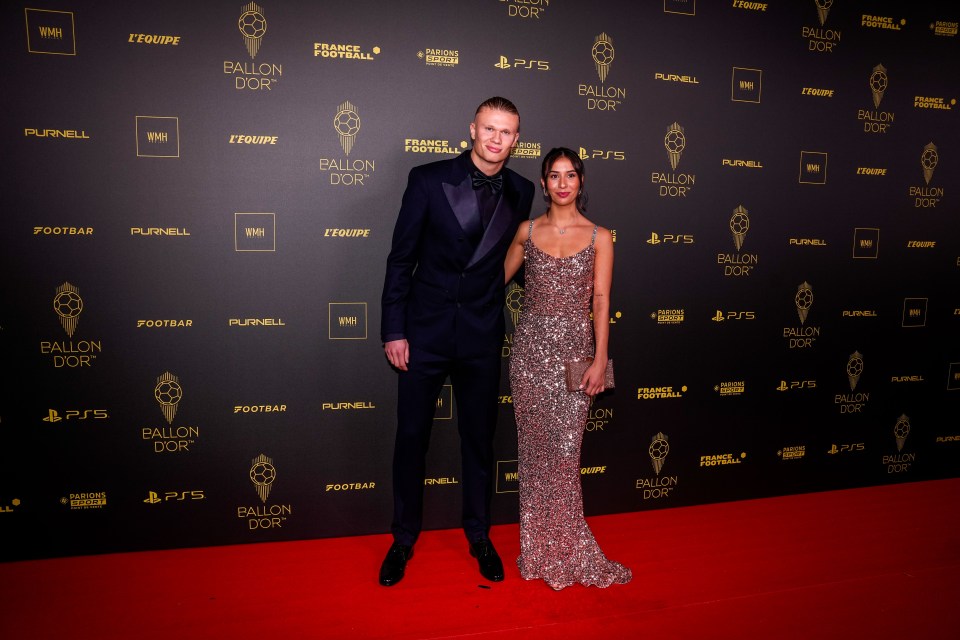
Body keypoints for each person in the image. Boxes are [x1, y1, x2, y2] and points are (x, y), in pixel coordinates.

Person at [379, 97, 535, 587]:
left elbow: (512, 257)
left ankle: (479, 535)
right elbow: (401, 258)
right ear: (472, 129)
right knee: (411, 439)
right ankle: (403, 538)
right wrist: (394, 329)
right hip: (424, 332)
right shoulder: (427, 178)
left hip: (481, 335)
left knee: (478, 440)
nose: (495, 138)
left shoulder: (523, 190)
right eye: (488, 128)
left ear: (515, 139)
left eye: (505, 132)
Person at [503, 147, 631, 590]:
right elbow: (490, 280)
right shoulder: (526, 230)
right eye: (554, 176)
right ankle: (538, 549)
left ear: (581, 182)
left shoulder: (600, 236)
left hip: (576, 352)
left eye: (570, 175)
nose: (562, 183)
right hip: (530, 354)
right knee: (535, 455)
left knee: (564, 454)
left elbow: (600, 300)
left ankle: (569, 545)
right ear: (543, 184)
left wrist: (600, 359)